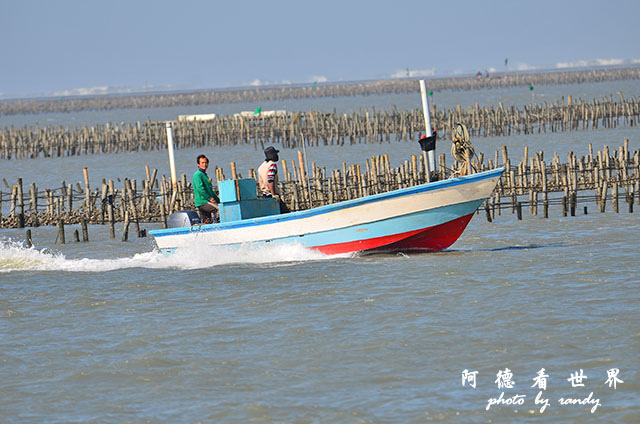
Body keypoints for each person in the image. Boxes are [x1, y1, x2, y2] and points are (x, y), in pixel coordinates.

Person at [258, 146, 289, 213]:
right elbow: (270, 180)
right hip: (271, 195)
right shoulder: (272, 165)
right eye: (276, 154)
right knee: (284, 212)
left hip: (265, 194)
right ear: (273, 155)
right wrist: (273, 194)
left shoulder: (262, 166)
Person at [192, 154, 219, 223]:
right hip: (203, 202)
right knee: (219, 209)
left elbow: (209, 190)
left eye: (206, 163)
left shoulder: (204, 174)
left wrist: (217, 199)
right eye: (202, 163)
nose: (205, 164)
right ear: (198, 164)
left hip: (206, 201)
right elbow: (200, 189)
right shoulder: (198, 175)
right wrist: (209, 198)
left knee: (207, 221)